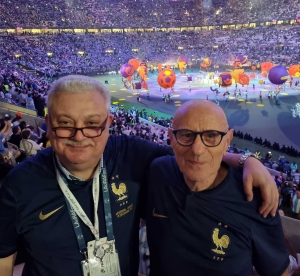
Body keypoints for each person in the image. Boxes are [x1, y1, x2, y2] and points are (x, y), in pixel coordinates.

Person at [0, 75, 278, 276]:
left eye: (93, 124)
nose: (79, 136)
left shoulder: (132, 156)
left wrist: (246, 160)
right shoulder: (18, 186)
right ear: (47, 124)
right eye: (64, 124)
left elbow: (192, 153)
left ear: (109, 123)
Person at [145, 100, 289, 276]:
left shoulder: (255, 200)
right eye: (186, 135)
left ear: (227, 140)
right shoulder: (158, 172)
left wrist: (249, 160)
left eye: (211, 136)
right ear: (172, 138)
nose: (197, 149)